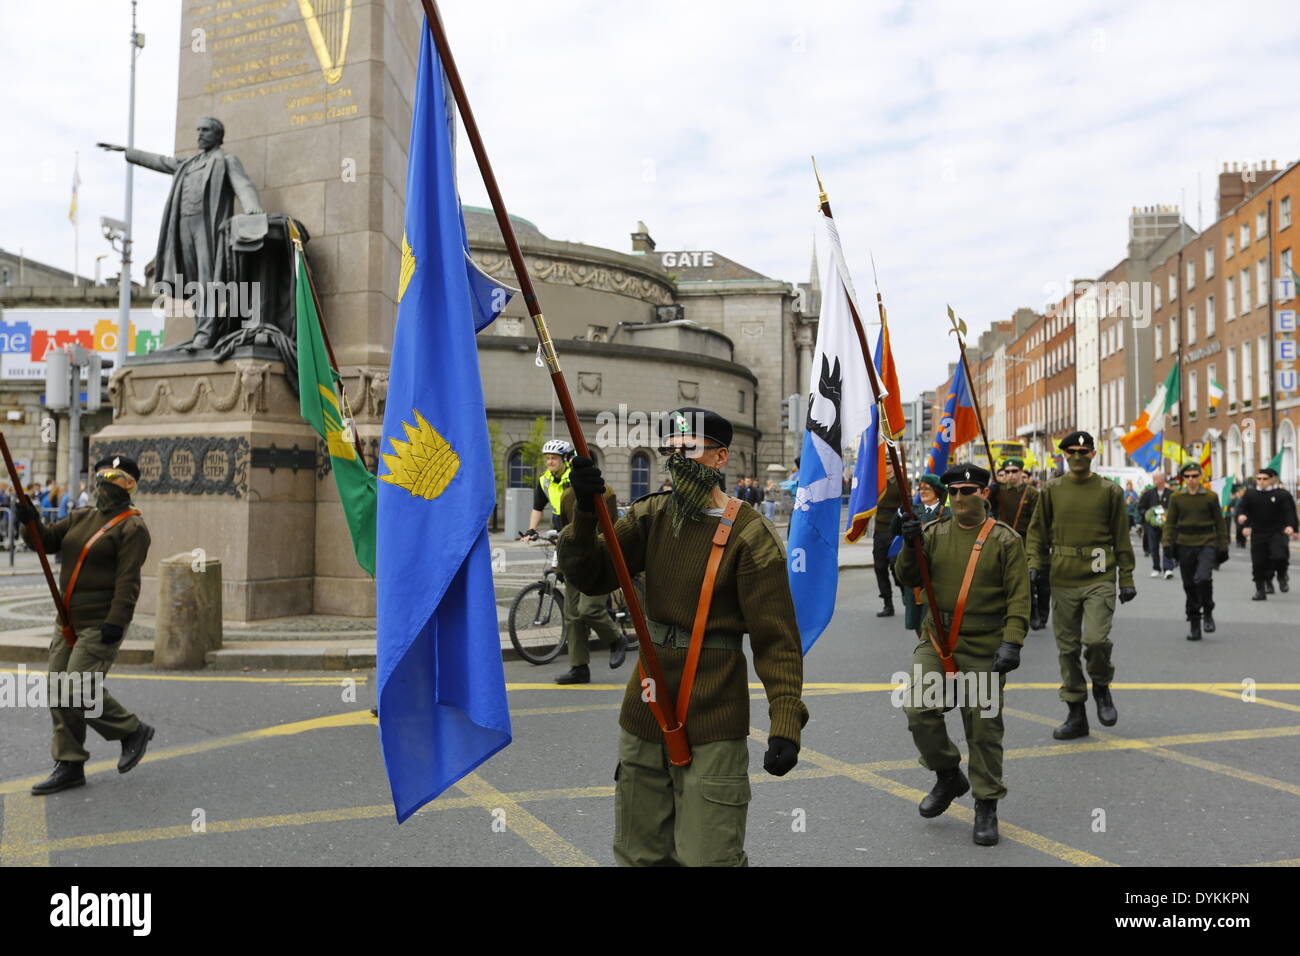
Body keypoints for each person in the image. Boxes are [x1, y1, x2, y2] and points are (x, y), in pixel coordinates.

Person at [558, 406, 806, 866]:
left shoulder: (751, 535)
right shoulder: (650, 514)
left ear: (719, 458)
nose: (675, 459)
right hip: (647, 709)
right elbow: (590, 575)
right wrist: (588, 514)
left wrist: (785, 722)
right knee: (639, 853)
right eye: (669, 450)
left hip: (714, 714)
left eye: (687, 449)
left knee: (709, 856)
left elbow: (778, 642)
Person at [895, 464, 1030, 847]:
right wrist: (909, 546)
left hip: (986, 643)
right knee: (919, 708)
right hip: (938, 640)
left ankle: (986, 803)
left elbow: (1020, 596)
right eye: (952, 492)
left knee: (983, 727)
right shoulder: (932, 534)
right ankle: (948, 773)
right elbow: (908, 578)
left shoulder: (1005, 540)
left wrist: (1013, 642)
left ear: (984, 494)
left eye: (967, 491)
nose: (957, 499)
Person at [22, 455, 154, 795]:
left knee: (77, 688)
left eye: (114, 475)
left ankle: (131, 731)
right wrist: (30, 521)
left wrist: (116, 621)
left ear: (130, 485)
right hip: (67, 621)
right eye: (101, 474)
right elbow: (45, 542)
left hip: (100, 623)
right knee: (57, 689)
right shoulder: (81, 517)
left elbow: (128, 582)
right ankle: (69, 763)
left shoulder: (132, 528)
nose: (104, 481)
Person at [1026, 431, 1136, 740]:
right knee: (1068, 649)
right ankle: (1076, 712)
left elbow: (1121, 537)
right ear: (1063, 454)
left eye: (1084, 451)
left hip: (1099, 577)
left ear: (1092, 455)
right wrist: (1033, 564)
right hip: (1062, 579)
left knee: (1096, 641)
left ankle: (1101, 687)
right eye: (1072, 451)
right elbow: (1036, 533)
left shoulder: (1110, 491)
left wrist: (1126, 577)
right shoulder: (1051, 490)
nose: (1078, 456)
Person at [521, 439, 627, 684]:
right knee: (571, 614)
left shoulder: (604, 492)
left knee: (588, 609)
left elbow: (607, 528)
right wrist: (533, 531)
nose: (550, 462)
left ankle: (615, 638)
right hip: (573, 556)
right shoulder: (563, 491)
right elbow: (546, 511)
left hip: (597, 559)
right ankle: (579, 667)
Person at [1162, 462, 1228, 640]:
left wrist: (1223, 546)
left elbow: (1219, 523)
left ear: (1201, 476)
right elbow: (1170, 522)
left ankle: (1207, 610)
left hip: (1207, 542)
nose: (1191, 480)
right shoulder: (1177, 498)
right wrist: (1167, 543)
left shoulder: (1210, 497)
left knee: (1203, 578)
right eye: (1187, 476)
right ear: (1183, 479)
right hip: (1185, 543)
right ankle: (1194, 623)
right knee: (1189, 584)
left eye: (1194, 476)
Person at [889, 473, 950, 635]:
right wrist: (901, 511)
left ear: (937, 491)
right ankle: (924, 653)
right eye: (920, 488)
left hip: (937, 571)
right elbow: (894, 530)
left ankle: (931, 656)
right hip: (916, 571)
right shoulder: (913, 510)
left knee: (933, 618)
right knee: (917, 619)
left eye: (927, 488)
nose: (922, 491)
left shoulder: (947, 513)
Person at [988, 457, 1043, 628]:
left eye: (1014, 471)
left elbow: (1038, 520)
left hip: (1026, 540)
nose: (1010, 475)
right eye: (1007, 472)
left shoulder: (1032, 493)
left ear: (1021, 472)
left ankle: (1032, 610)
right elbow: (986, 508)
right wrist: (990, 491)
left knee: (1027, 580)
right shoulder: (998, 491)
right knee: (1001, 579)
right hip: (1003, 540)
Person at [1237, 467, 1298, 600]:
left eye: (1265, 479)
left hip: (1277, 531)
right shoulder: (1250, 494)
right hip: (1258, 532)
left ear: (1272, 479)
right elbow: (1243, 509)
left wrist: (1291, 526)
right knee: (1258, 562)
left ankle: (1281, 576)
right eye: (1259, 479)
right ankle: (1260, 590)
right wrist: (1243, 520)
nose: (1261, 481)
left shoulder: (1281, 494)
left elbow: (1289, 511)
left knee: (1279, 556)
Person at [872, 457, 903, 617]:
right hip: (879, 530)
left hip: (895, 531)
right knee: (879, 567)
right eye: (885, 463)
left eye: (889, 463)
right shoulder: (878, 483)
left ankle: (906, 596)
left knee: (896, 567)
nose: (887, 466)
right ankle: (887, 603)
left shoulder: (900, 481)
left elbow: (906, 504)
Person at [1137, 472, 1175, 579]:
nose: (1154, 481)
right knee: (1154, 547)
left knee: (1167, 545)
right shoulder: (1148, 493)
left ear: (1162, 480)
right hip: (1152, 525)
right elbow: (1141, 507)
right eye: (1154, 479)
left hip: (1166, 525)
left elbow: (1175, 508)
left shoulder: (1171, 494)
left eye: (1156, 479)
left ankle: (1168, 568)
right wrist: (1147, 514)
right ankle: (1156, 568)